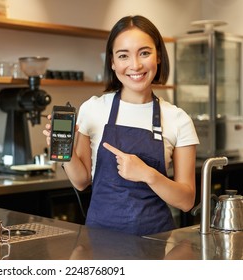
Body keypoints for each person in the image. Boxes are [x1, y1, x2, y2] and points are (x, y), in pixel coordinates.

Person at [43, 15, 199, 236]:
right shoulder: (93, 109)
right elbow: (81, 181)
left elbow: (186, 200)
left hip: (155, 242)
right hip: (100, 241)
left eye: (144, 53)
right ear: (112, 62)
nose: (135, 65)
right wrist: (63, 151)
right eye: (123, 55)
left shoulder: (177, 119)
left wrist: (148, 174)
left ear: (159, 57)